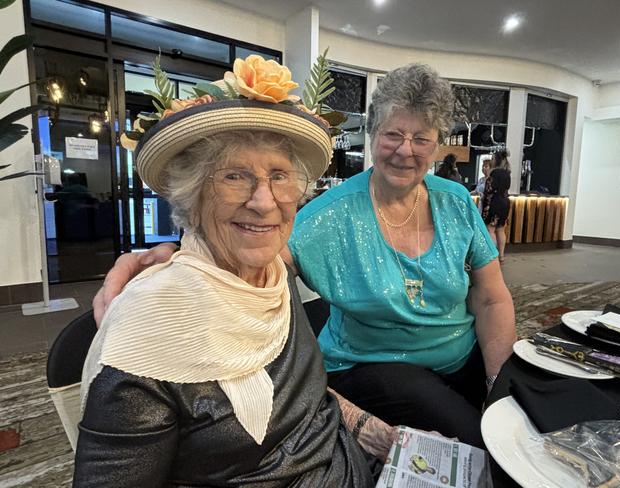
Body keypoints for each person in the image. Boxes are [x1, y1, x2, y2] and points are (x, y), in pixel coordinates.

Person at [94, 63, 516, 448]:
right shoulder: (327, 216)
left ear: (437, 144)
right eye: (393, 134)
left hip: (462, 356)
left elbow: (491, 297)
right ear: (372, 137)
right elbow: (242, 253)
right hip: (374, 368)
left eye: (421, 138)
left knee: (522, 417)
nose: (406, 150)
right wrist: (174, 253)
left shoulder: (456, 201)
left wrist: (496, 380)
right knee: (482, 444)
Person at [73, 58, 387, 487]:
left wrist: (362, 425)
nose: (264, 201)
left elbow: (300, 401)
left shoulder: (273, 274)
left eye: (279, 176)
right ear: (193, 196)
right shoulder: (145, 340)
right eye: (235, 176)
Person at [481, 149, 511, 263]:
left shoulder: (495, 173)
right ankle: (501, 255)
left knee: (490, 229)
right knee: (500, 229)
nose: (491, 160)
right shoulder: (507, 173)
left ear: (496, 161)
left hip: (494, 204)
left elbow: (489, 189)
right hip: (505, 203)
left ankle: (492, 255)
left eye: (493, 159)